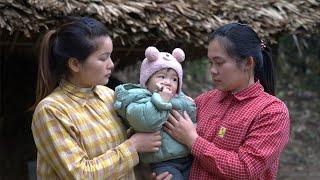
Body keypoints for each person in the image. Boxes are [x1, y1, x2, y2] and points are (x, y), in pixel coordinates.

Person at [31, 16, 162, 179]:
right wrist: (133, 146)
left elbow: (122, 162)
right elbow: (80, 174)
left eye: (110, 56)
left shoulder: (109, 95)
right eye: (103, 58)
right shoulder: (51, 110)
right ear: (75, 64)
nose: (111, 64)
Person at [164, 23, 290, 180]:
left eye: (219, 62)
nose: (212, 70)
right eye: (210, 62)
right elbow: (181, 152)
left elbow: (245, 169)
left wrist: (193, 140)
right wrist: (169, 172)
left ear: (248, 63)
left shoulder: (272, 111)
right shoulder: (204, 101)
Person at [114, 46, 196, 180]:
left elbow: (194, 120)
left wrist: (191, 106)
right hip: (164, 163)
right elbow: (147, 124)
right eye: (162, 76)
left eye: (174, 79)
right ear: (147, 81)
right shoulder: (138, 99)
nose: (168, 82)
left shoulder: (181, 99)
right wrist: (161, 101)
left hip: (188, 157)